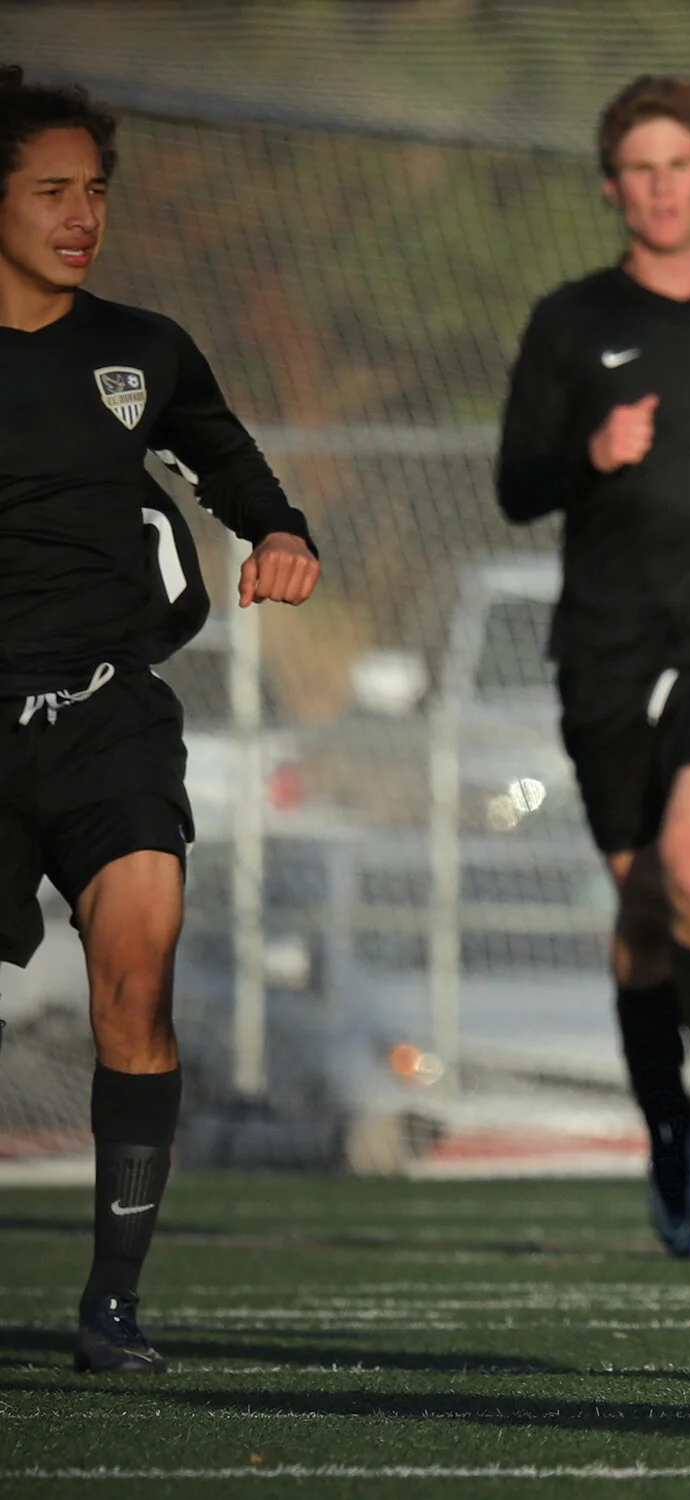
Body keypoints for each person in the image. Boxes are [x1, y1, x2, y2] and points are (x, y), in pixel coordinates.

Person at [0, 68, 320, 1373]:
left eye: (96, 193)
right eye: (50, 192)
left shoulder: (142, 348)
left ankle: (110, 1307)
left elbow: (225, 457)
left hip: (106, 714)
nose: (83, 217)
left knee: (139, 968)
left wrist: (281, 528)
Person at [497, 77, 690, 1258]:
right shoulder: (571, 323)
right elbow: (517, 485)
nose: (664, 185)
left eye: (683, 164)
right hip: (607, 650)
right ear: (613, 185)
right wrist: (591, 451)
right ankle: (668, 1130)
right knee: (639, 914)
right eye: (642, 167)